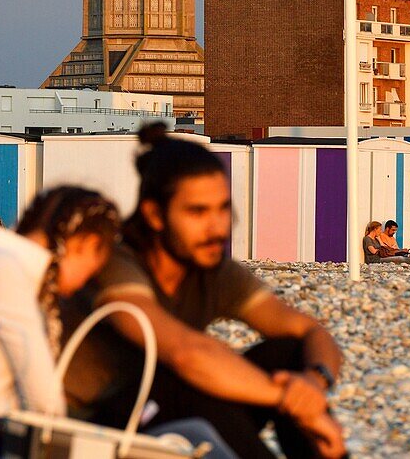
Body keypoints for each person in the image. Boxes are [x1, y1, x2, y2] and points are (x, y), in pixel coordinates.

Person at [64, 124, 347, 459]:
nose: (217, 227)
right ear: (155, 215)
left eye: (222, 208)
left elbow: (310, 330)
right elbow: (186, 352)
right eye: (197, 212)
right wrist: (291, 399)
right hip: (94, 432)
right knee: (187, 381)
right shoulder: (115, 263)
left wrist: (314, 384)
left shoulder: (211, 269)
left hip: (168, 418)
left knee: (286, 353)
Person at [0, 186, 236, 459]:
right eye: (93, 266)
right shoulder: (4, 268)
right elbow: (41, 390)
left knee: (187, 433)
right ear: (80, 243)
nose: (86, 281)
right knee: (192, 437)